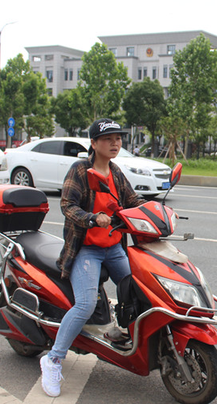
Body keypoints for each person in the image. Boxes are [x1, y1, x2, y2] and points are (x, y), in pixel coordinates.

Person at [39, 118, 144, 397]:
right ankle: (53, 360)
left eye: (118, 138)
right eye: (108, 139)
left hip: (114, 248)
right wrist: (91, 218)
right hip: (86, 249)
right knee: (85, 305)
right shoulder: (80, 170)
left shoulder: (115, 172)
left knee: (137, 289)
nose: (115, 143)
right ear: (94, 143)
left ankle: (121, 331)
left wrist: (156, 211)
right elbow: (67, 205)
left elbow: (133, 202)